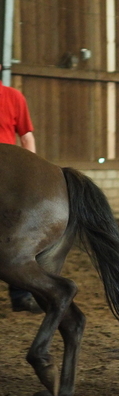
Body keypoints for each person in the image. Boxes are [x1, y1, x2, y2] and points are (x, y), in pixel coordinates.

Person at [0, 65, 41, 313]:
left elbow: (26, 136)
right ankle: (21, 295)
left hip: (9, 169)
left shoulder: (14, 97)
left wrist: (31, 171)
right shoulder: (14, 96)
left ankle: (21, 294)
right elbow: (26, 137)